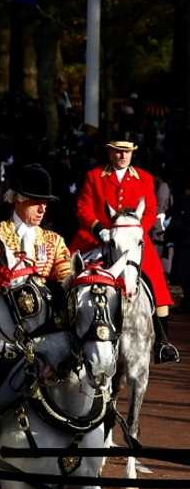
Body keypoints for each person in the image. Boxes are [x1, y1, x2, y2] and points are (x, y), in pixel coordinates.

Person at [72, 137, 179, 363]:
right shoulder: (94, 176)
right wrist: (98, 228)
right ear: (110, 153)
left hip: (132, 239)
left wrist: (137, 230)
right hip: (97, 238)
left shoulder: (145, 178)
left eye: (126, 152)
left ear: (132, 154)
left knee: (157, 282)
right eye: (118, 152)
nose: (122, 156)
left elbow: (150, 210)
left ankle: (162, 342)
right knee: (69, 275)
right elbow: (83, 207)